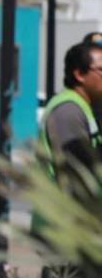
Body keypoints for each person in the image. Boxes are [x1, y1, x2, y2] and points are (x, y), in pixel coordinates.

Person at [36, 42, 102, 237]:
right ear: (79, 74)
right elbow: (79, 167)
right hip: (65, 230)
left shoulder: (85, 106)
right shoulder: (68, 110)